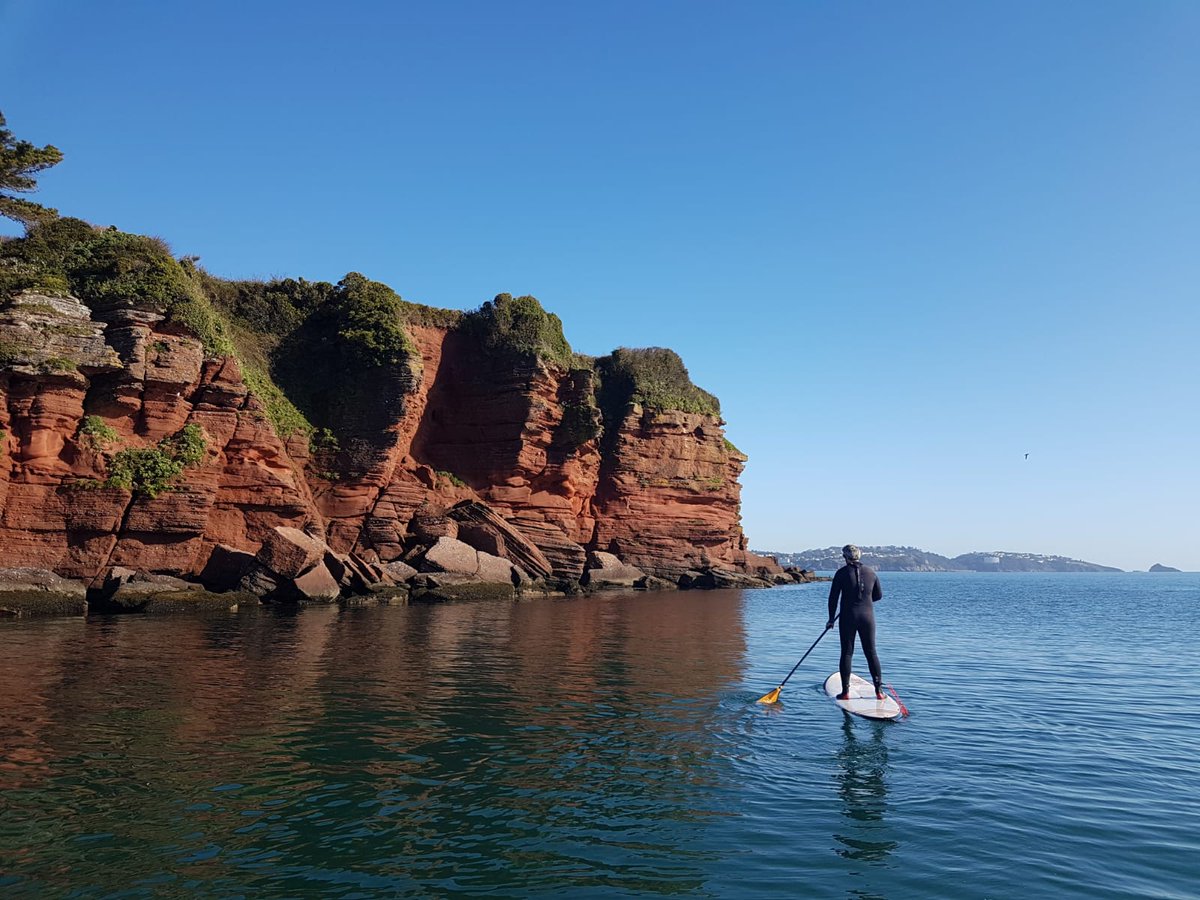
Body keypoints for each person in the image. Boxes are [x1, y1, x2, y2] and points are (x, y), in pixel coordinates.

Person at [826, 544, 885, 701]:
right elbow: (878, 596)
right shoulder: (871, 573)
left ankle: (845, 693)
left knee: (847, 653)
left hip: (848, 617)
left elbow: (833, 598)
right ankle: (879, 692)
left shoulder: (841, 573)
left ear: (845, 557)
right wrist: (864, 601)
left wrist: (831, 619)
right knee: (871, 652)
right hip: (868, 617)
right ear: (859, 556)